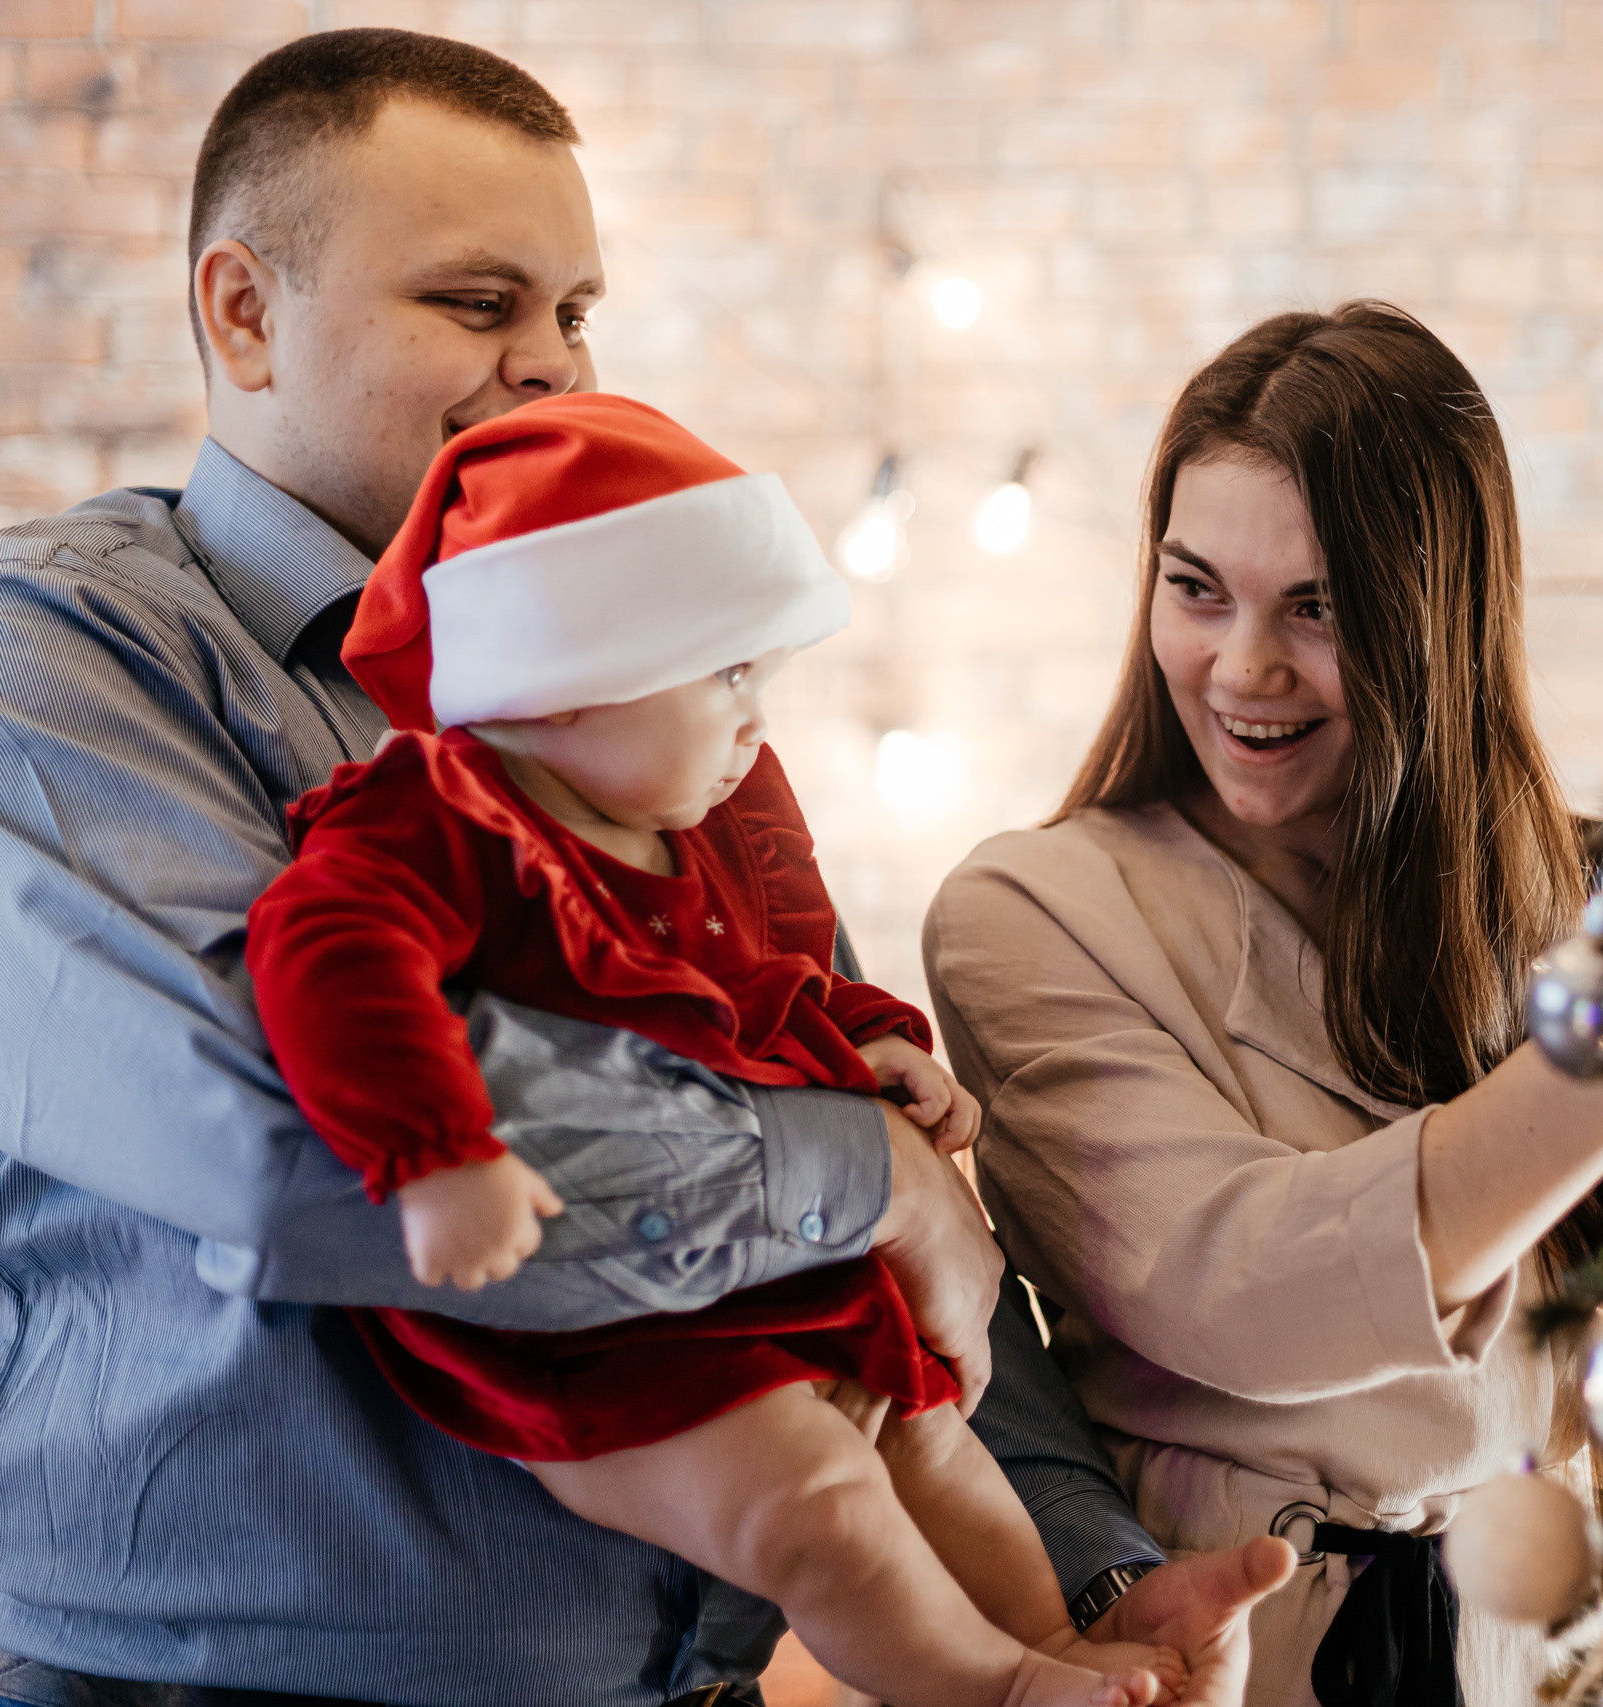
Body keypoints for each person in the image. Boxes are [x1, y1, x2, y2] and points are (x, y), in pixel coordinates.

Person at [0, 29, 1282, 1707]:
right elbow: (284, 1133)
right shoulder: (40, 657)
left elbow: (863, 1165)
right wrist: (852, 1170)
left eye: (575, 313)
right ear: (241, 311)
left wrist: (1085, 1598)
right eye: (477, 305)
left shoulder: (650, 688)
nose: (550, 367)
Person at [247, 392, 1175, 1707]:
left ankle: (1059, 1645)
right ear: (567, 681)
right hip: (595, 1345)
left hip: (752, 1277)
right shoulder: (444, 812)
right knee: (820, 1504)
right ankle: (996, 1692)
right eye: (724, 672)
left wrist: (861, 1034)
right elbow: (328, 950)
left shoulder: (696, 824)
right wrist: (435, 1149)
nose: (755, 718)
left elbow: (767, 979)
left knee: (929, 1431)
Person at [924, 302, 1603, 1705]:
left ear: (1436, 624)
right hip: (1214, 1651)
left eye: (1316, 608)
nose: (1243, 666)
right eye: (1195, 587)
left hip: (1548, 1643)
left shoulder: (1565, 897)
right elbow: (1256, 1290)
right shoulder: (1035, 914)